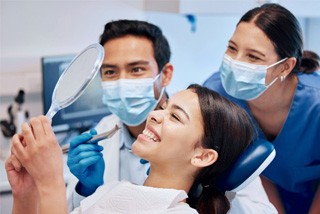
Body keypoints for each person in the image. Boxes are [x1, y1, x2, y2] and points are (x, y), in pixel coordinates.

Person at [65, 20, 276, 213]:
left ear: (165, 74)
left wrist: (214, 191)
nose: (122, 82)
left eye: (136, 69)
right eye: (110, 72)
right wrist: (88, 189)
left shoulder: (210, 130)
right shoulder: (102, 135)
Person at [7, 84, 256, 214]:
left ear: (202, 155)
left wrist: (49, 182)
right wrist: (26, 192)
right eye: (163, 107)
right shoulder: (115, 191)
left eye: (176, 117)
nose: (154, 115)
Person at [203, 3, 320, 214]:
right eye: (232, 48)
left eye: (253, 57)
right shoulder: (217, 96)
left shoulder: (316, 104)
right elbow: (255, 169)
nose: (235, 62)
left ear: (286, 66)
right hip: (259, 201)